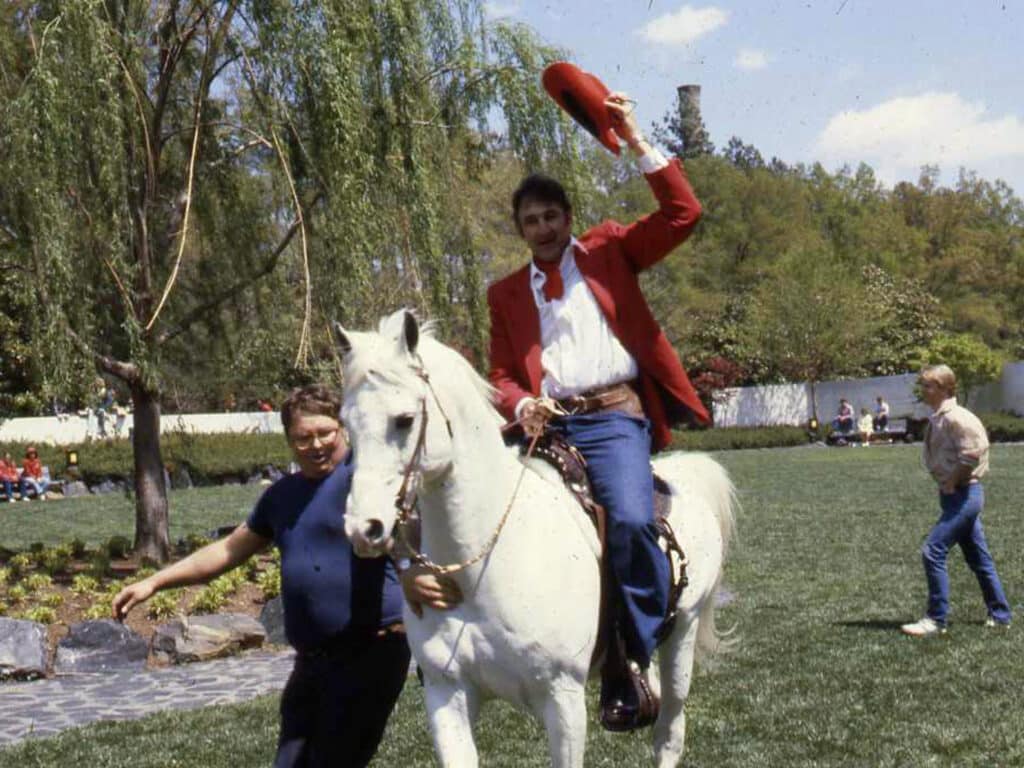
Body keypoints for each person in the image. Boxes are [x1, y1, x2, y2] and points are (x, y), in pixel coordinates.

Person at [487, 92, 708, 731]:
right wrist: (521, 401)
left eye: (553, 216)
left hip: (614, 417)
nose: (545, 229)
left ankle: (629, 654)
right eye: (532, 221)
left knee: (635, 522)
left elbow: (683, 212)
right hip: (545, 424)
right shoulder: (504, 293)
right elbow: (501, 372)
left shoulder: (610, 251)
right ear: (520, 228)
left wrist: (636, 137)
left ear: (569, 217)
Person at [113, 384, 462, 767]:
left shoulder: (366, 479)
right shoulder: (282, 496)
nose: (316, 445)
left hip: (373, 650)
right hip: (311, 660)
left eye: (325, 433)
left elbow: (414, 527)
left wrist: (412, 570)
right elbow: (228, 550)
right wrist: (154, 581)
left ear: (344, 428)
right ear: (289, 441)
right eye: (303, 437)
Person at [900, 365, 1012, 637]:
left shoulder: (958, 418)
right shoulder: (940, 417)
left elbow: (972, 454)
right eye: (923, 385)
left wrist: (951, 480)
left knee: (933, 551)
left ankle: (936, 619)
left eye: (928, 385)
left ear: (944, 388)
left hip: (964, 495)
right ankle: (1000, 614)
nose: (923, 390)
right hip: (955, 496)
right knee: (978, 558)